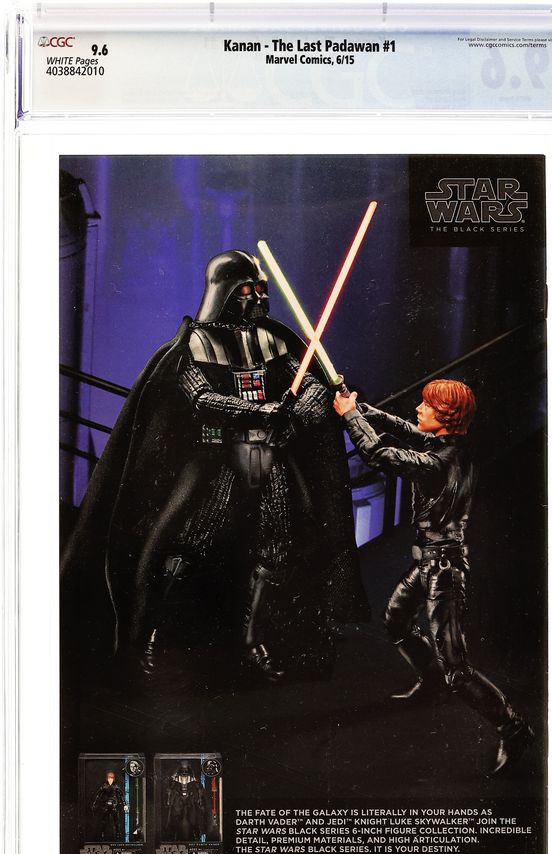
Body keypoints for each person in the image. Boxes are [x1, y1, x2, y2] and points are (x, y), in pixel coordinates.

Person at [62, 250, 367, 683]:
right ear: (224, 292)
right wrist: (262, 411)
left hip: (270, 460)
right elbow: (201, 398)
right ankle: (143, 640)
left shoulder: (274, 339)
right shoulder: (193, 344)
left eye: (261, 289)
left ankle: (252, 641)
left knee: (277, 551)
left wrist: (294, 415)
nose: (257, 299)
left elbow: (315, 389)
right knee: (181, 546)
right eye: (247, 290)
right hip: (215, 463)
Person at [334, 379, 533, 776]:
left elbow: (378, 454)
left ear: (444, 417)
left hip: (443, 569)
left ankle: (514, 729)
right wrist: (364, 411)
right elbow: (409, 431)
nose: (418, 410)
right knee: (396, 621)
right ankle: (432, 682)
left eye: (426, 406)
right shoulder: (451, 446)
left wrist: (351, 416)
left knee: (456, 668)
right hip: (430, 562)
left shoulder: (438, 462)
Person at [91, 770, 128, 841]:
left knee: (116, 821)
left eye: (112, 778)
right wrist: (95, 804)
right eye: (109, 778)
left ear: (114, 779)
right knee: (103, 821)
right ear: (107, 778)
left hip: (114, 806)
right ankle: (102, 834)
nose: (110, 779)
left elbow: (121, 796)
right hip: (106, 806)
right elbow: (98, 796)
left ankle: (118, 834)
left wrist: (124, 804)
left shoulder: (116, 787)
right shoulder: (104, 786)